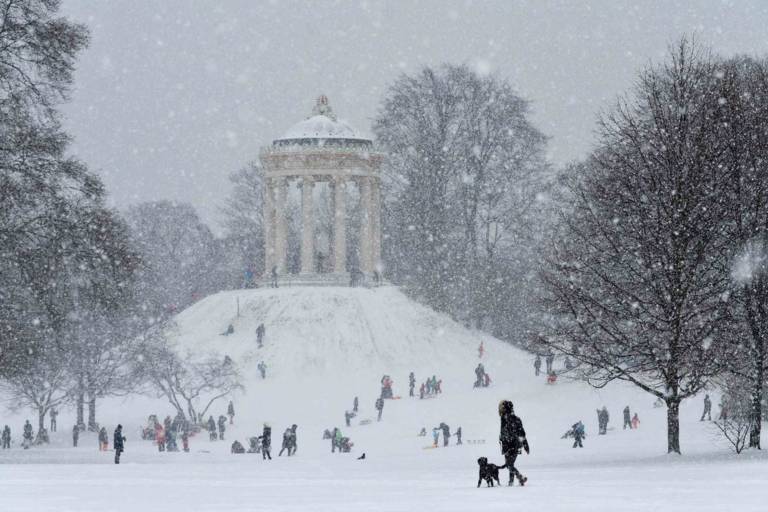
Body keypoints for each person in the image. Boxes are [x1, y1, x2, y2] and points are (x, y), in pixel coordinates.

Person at [499, 400, 529, 486]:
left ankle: (520, 477)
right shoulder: (516, 419)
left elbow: (505, 433)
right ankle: (511, 482)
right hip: (515, 445)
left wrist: (505, 441)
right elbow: (522, 433)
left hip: (509, 445)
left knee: (509, 465)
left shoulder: (505, 418)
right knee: (510, 464)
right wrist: (525, 444)